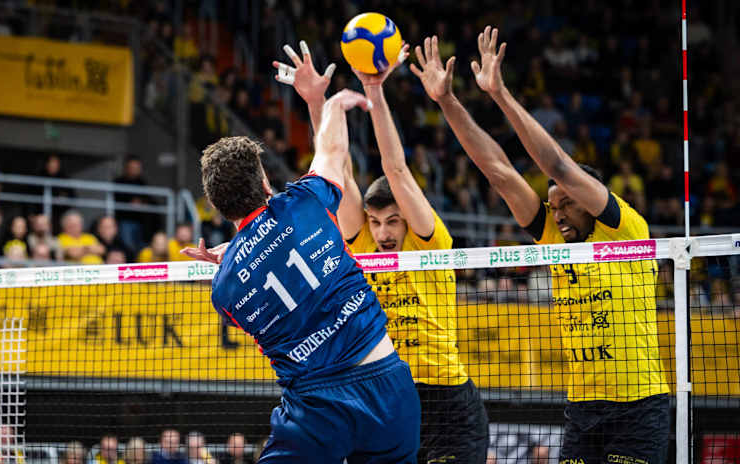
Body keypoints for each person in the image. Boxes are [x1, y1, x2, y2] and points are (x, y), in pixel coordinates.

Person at [437, 26, 669, 463]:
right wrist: (447, 101)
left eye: (566, 203)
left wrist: (500, 95)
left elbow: (558, 164)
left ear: (592, 197)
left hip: (638, 409)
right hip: (581, 408)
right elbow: (500, 173)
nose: (557, 212)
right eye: (551, 204)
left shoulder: (624, 228)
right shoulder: (554, 240)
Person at [276, 40, 488, 463]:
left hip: (446, 401)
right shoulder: (366, 242)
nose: (383, 232)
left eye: (392, 221)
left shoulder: (428, 238)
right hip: (386, 399)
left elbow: (397, 170)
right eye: (375, 222)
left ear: (408, 220)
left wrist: (374, 92)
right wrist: (318, 103)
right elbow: (337, 172)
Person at [182, 91, 420, 462]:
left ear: (215, 205)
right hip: (386, 387)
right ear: (264, 183)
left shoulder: (224, 292)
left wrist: (234, 259)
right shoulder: (306, 201)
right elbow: (332, 153)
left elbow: (266, 267)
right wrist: (334, 104)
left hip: (315, 409)